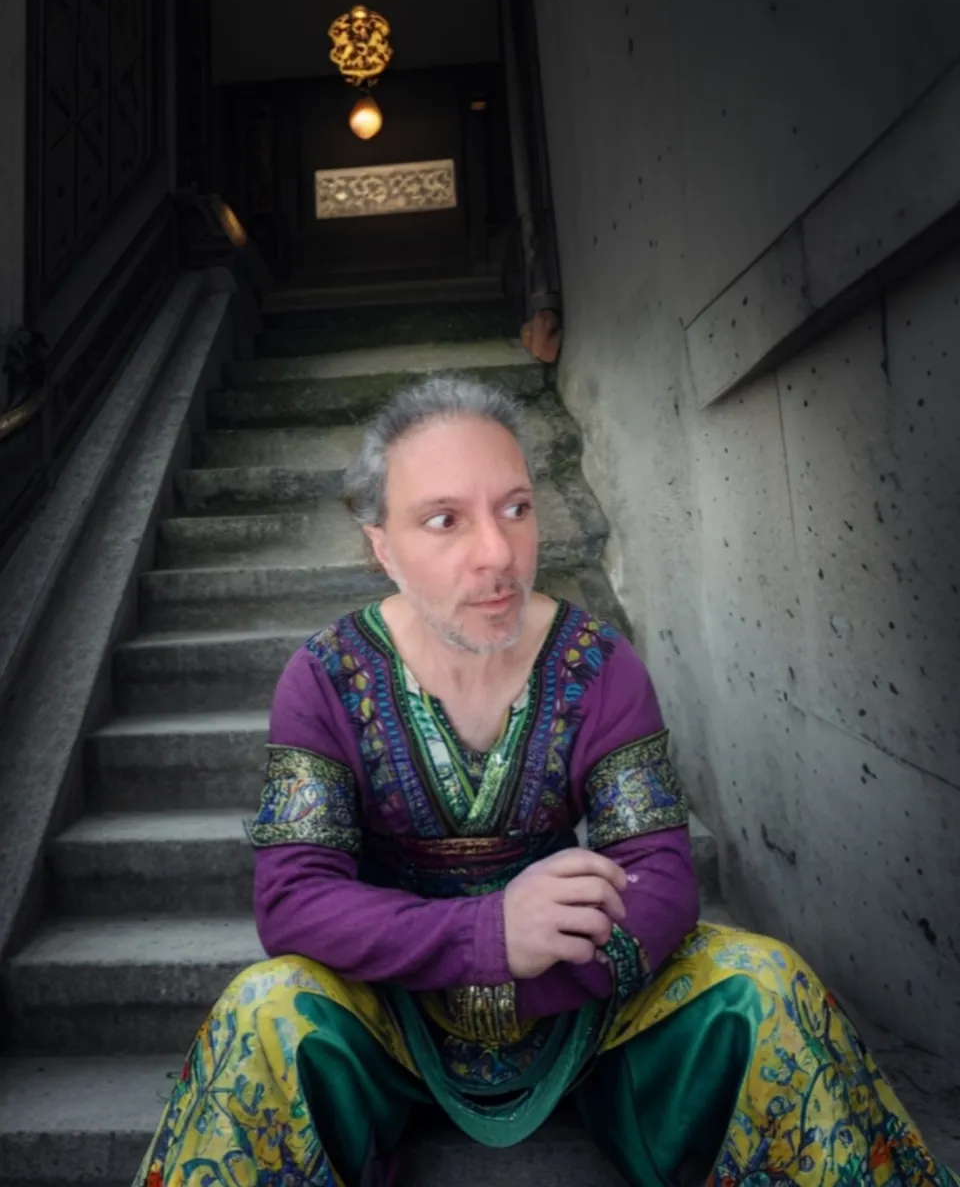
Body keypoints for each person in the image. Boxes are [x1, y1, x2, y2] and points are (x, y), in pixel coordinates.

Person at [136, 376, 958, 1187]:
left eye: (517, 508)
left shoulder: (599, 664)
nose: (498, 553)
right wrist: (487, 937)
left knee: (768, 981)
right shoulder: (322, 679)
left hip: (582, 1004)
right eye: (444, 520)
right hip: (387, 1008)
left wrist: (539, 972)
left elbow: (662, 877)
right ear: (381, 544)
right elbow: (293, 902)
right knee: (260, 1009)